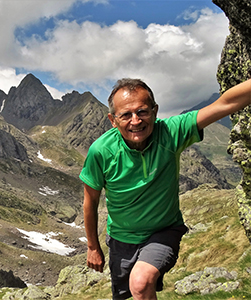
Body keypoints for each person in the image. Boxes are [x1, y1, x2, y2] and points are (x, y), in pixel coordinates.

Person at [79, 78, 251, 300]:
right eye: (126, 115)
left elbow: (225, 103)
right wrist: (93, 247)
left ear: (155, 111)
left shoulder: (170, 133)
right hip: (121, 239)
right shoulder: (100, 151)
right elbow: (90, 202)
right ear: (113, 120)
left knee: (140, 283)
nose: (136, 121)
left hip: (163, 231)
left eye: (142, 112)